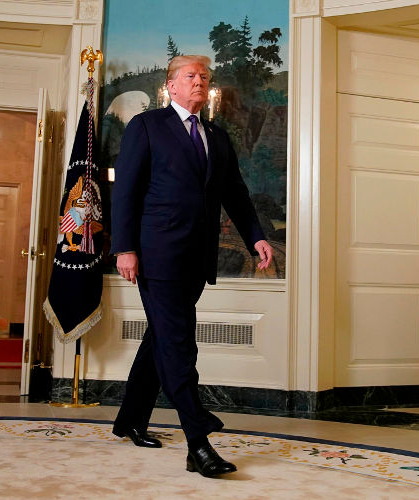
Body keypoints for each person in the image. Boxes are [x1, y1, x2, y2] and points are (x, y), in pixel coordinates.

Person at [110, 55, 274, 478]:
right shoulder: (146, 126)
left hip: (198, 258)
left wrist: (256, 237)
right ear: (171, 86)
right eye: (190, 75)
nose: (199, 81)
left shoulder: (216, 136)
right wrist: (124, 248)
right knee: (180, 344)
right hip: (156, 255)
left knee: (162, 338)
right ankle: (197, 440)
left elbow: (235, 192)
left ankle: (130, 420)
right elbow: (126, 191)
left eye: (204, 76)